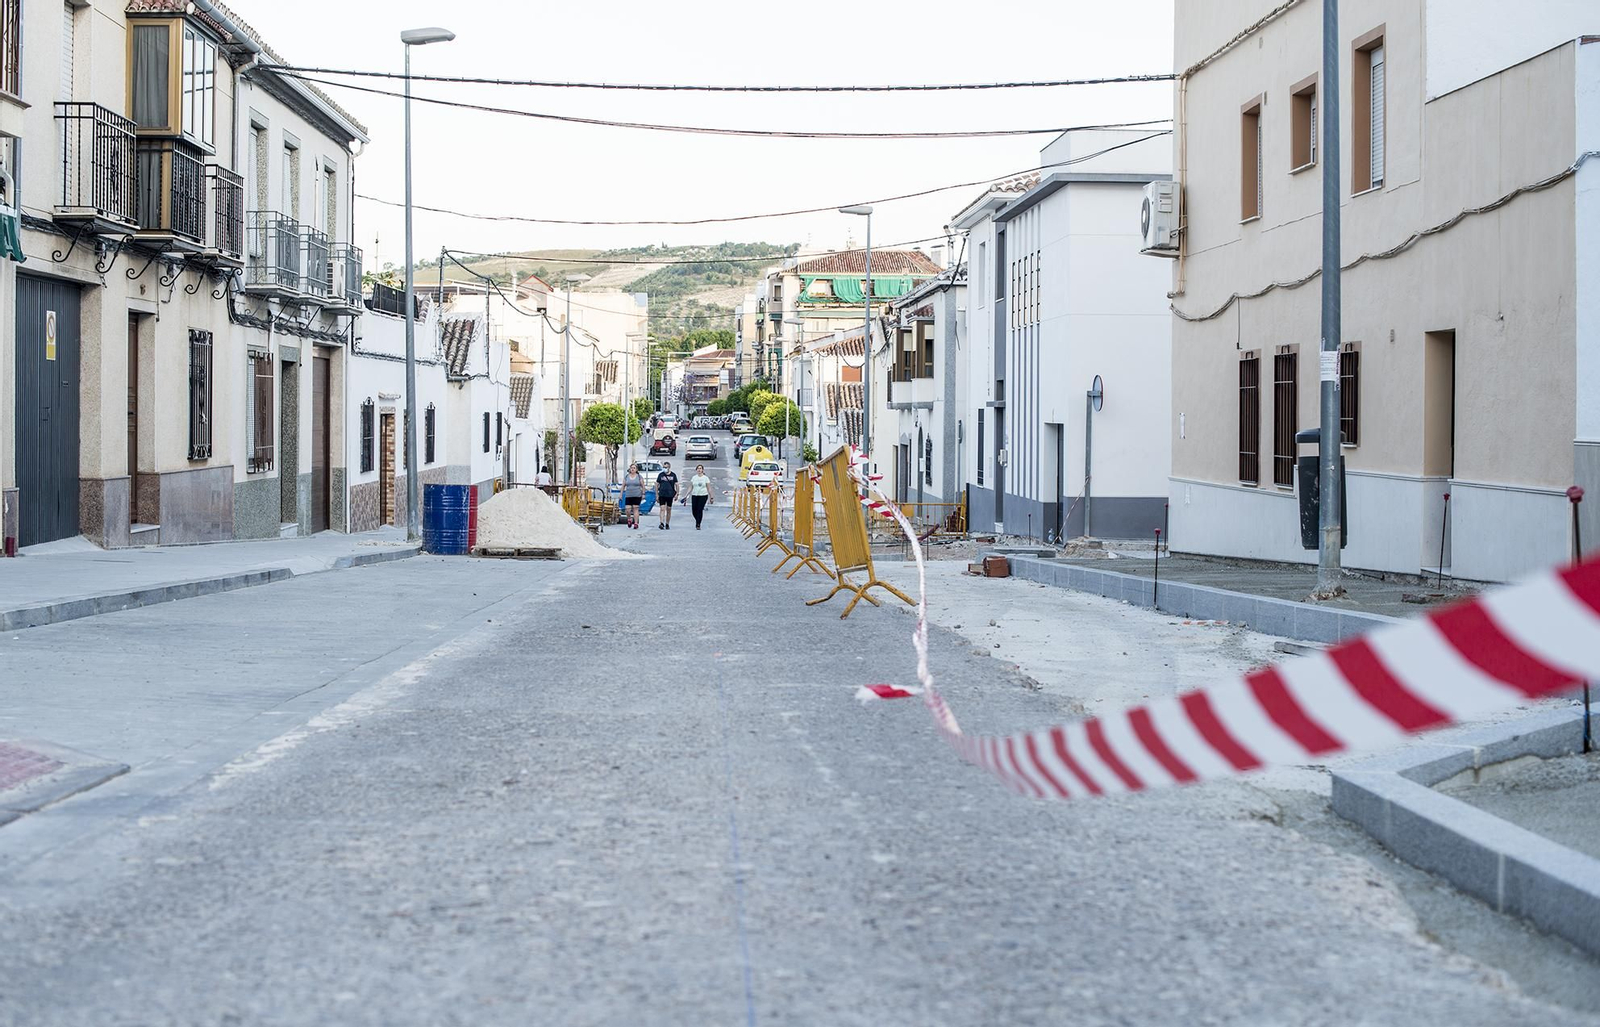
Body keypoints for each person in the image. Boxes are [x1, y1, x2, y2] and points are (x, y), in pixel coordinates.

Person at [687, 464, 714, 530]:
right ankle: (698, 520)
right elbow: (691, 487)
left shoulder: (705, 478)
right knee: (694, 510)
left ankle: (698, 524)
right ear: (696, 470)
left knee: (699, 509)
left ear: (702, 470)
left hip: (703, 495)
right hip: (695, 495)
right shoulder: (694, 478)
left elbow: (709, 488)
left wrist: (711, 497)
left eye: (700, 468)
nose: (699, 470)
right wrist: (686, 494)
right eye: (698, 468)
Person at [655, 461, 679, 530]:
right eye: (664, 467)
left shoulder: (673, 475)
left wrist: (677, 494)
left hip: (670, 495)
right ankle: (661, 523)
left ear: (669, 467)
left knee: (669, 509)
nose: (665, 468)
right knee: (662, 508)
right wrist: (657, 495)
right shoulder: (661, 475)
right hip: (662, 494)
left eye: (666, 467)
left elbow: (677, 484)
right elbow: (657, 484)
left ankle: (667, 523)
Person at [622, 464, 645, 529]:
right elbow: (623, 486)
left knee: (635, 509)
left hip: (637, 495)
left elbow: (643, 486)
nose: (632, 469)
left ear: (636, 469)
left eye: (634, 468)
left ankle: (635, 523)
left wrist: (643, 494)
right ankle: (629, 519)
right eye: (631, 468)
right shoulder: (627, 477)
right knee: (627, 509)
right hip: (628, 495)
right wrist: (621, 494)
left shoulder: (639, 477)